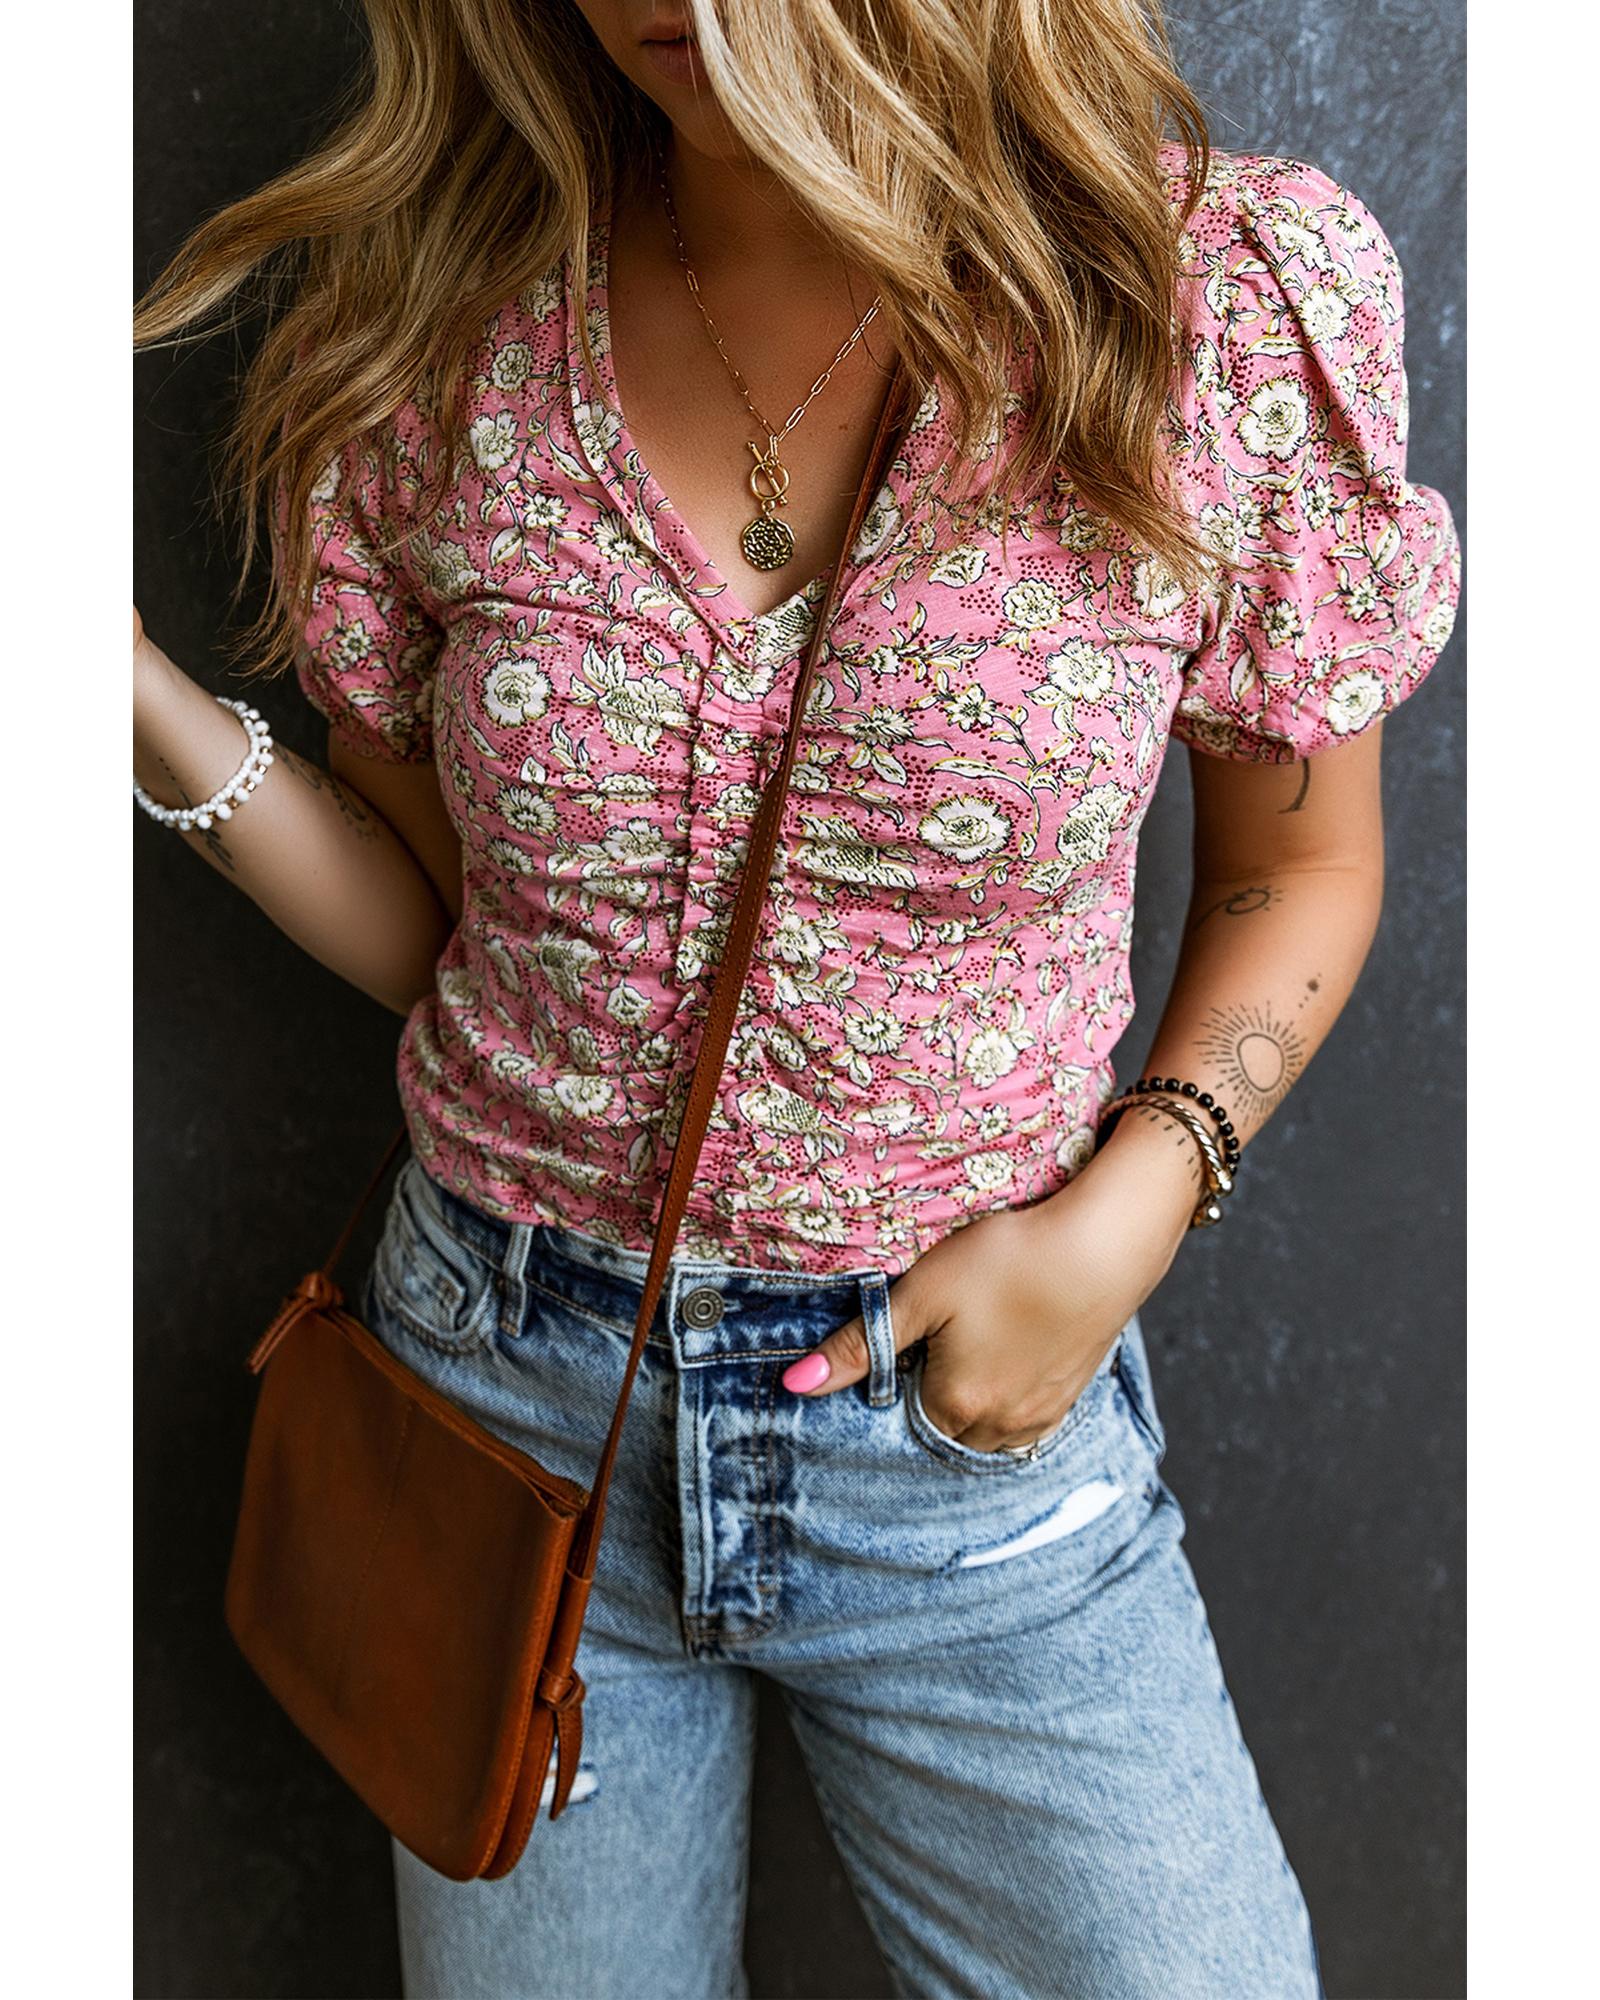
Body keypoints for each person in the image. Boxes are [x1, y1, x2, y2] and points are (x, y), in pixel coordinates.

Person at [133, 3, 1460, 1995]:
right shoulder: (432, 327)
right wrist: (129, 699)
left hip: (960, 1439)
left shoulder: (1203, 302)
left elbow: (1301, 867)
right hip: (508, 1406)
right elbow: (456, 932)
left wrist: (1128, 1214)